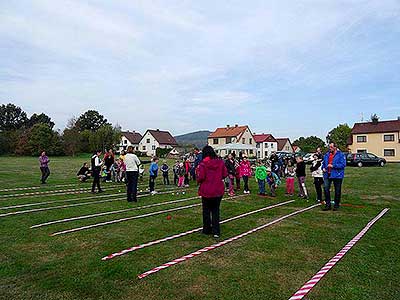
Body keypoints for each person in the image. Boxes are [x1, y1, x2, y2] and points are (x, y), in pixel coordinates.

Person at [196, 145, 228, 238]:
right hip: (218, 190)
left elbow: (201, 177)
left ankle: (206, 229)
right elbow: (225, 174)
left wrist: (199, 180)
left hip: (206, 190)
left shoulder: (203, 164)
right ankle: (216, 231)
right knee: (215, 210)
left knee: (206, 211)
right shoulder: (220, 162)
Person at [322, 143, 346, 211]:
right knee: (326, 189)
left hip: (337, 175)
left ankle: (336, 205)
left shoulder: (341, 154)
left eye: (331, 147)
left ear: (335, 147)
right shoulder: (327, 154)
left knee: (337, 190)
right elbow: (323, 163)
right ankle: (328, 205)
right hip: (327, 174)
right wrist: (323, 168)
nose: (330, 148)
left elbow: (343, 164)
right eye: (329, 147)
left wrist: (333, 166)